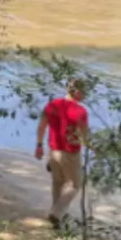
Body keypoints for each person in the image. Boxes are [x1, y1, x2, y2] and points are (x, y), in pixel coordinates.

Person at [34, 78, 88, 229]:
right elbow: (84, 135)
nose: (84, 96)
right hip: (70, 153)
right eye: (83, 92)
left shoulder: (52, 105)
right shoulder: (80, 111)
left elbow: (41, 127)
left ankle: (55, 217)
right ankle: (56, 213)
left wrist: (39, 145)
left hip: (53, 151)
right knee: (75, 184)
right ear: (77, 92)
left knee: (58, 182)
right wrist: (90, 145)